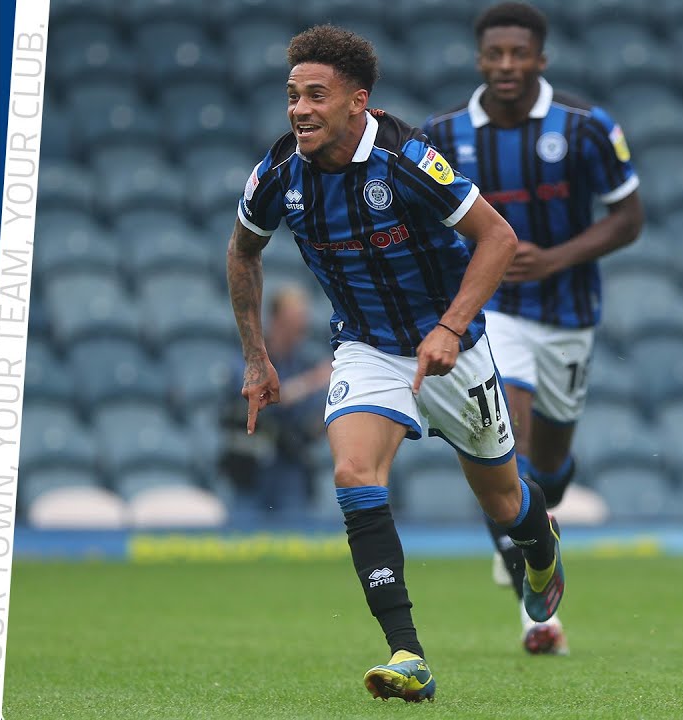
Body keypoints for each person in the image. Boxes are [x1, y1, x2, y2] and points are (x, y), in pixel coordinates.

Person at [226, 24, 565, 703]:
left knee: (502, 500)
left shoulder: (410, 160)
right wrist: (258, 358)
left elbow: (497, 237)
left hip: (453, 352)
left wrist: (451, 326)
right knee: (353, 471)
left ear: (358, 101)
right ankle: (407, 653)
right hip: (367, 346)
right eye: (292, 96)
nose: (299, 110)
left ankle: (542, 549)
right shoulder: (280, 173)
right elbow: (243, 251)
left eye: (316, 96)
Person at [422, 2, 643, 656]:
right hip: (497, 315)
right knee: (508, 447)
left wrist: (553, 258)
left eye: (520, 54)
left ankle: (525, 526)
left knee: (548, 462)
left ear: (541, 59)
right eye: (496, 54)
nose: (507, 65)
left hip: (571, 316)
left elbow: (629, 218)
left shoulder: (586, 128)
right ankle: (536, 612)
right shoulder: (444, 134)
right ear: (480, 59)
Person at [217, 283, 331, 521]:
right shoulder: (250, 358)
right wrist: (310, 382)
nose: (302, 326)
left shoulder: (303, 361)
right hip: (251, 467)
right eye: (295, 319)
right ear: (277, 319)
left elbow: (315, 418)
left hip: (290, 466)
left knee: (295, 540)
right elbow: (258, 397)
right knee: (244, 539)